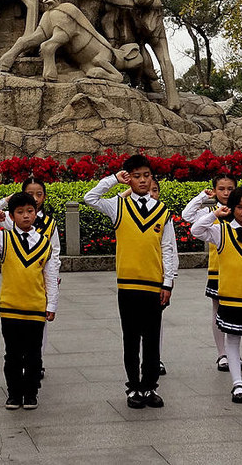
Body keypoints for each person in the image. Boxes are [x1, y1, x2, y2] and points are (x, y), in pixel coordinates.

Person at [83, 154, 177, 409]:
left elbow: (168, 249)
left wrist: (168, 283)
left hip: (153, 285)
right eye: (136, 176)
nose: (142, 180)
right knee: (131, 338)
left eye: (146, 175)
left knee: (152, 338)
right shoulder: (118, 206)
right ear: (129, 179)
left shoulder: (163, 211)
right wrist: (113, 179)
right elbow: (89, 198)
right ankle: (133, 387)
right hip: (127, 285)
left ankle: (150, 387)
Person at [0, 191, 59, 410]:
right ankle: (13, 393)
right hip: (10, 307)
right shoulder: (4, 238)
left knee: (33, 354)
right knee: (12, 354)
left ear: (36, 213)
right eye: (20, 212)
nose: (26, 216)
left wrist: (52, 304)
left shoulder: (44, 243)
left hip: (36, 306)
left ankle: (30, 393)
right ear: (12, 216)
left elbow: (50, 275)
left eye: (30, 211)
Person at [191, 187, 242, 404]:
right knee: (232, 339)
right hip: (228, 297)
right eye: (239, 207)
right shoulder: (222, 231)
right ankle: (237, 383)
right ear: (232, 208)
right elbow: (196, 230)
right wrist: (215, 214)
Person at [0, 177, 61, 379]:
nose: (35, 198)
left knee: (39, 328)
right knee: (14, 343)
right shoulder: (12, 224)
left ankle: (37, 363)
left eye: (39, 194)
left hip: (40, 277)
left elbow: (56, 253)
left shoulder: (49, 224)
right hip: (16, 284)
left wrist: (54, 281)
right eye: (30, 193)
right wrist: (8, 200)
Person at [182, 171, 237, 371]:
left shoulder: (241, 212)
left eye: (230, 188)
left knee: (236, 312)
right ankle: (222, 354)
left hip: (240, 272)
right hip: (218, 269)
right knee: (218, 310)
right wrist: (202, 197)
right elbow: (187, 216)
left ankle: (235, 353)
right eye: (221, 189)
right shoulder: (210, 212)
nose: (226, 192)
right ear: (214, 191)